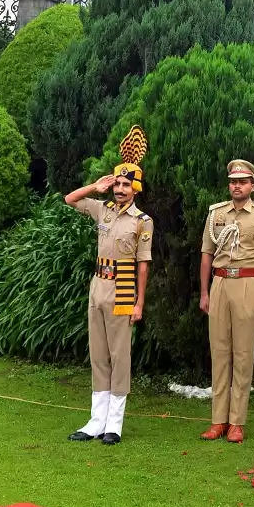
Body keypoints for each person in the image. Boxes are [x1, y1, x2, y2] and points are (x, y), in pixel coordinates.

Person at [64, 125, 153, 446]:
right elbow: (69, 199)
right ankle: (95, 421)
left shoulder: (142, 221)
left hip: (125, 284)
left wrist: (140, 303)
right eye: (116, 183)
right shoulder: (102, 208)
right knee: (98, 354)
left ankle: (114, 423)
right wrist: (95, 186)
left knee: (119, 355)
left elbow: (143, 264)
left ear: (136, 189)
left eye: (125, 184)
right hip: (97, 285)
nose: (119, 188)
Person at [199, 159, 254, 445]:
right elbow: (206, 254)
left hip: (248, 283)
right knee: (219, 353)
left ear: (252, 186)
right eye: (233, 181)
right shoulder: (216, 213)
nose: (237, 185)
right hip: (220, 282)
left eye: (242, 181)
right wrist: (205, 292)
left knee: (243, 356)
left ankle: (237, 423)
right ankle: (218, 420)